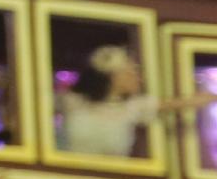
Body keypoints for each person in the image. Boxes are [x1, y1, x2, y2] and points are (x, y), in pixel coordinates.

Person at [57, 45, 217, 158]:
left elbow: (187, 102)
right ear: (114, 76)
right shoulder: (73, 102)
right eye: (131, 72)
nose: (138, 78)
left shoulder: (133, 107)